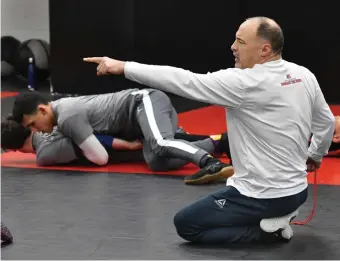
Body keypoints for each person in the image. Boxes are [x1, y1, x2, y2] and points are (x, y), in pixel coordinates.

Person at [83, 16, 335, 243]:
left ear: (264, 49)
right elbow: (325, 123)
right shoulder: (303, 74)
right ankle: (276, 217)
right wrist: (315, 155)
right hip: (298, 193)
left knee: (187, 224)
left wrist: (124, 67)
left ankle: (267, 232)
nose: (233, 47)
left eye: (240, 42)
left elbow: (184, 80)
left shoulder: (244, 83)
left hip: (262, 197)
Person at [10, 87, 234, 185]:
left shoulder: (67, 117)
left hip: (143, 102)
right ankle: (219, 143)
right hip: (138, 123)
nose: (36, 130)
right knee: (157, 162)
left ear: (42, 110)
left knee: (159, 144)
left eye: (33, 124)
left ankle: (210, 163)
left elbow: (100, 158)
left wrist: (72, 140)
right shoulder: (62, 115)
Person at [1, 117, 232, 176]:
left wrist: (126, 145)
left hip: (121, 142)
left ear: (10, 149)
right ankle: (221, 141)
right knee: (167, 142)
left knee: (160, 155)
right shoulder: (51, 122)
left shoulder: (44, 154)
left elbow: (89, 141)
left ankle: (220, 142)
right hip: (121, 128)